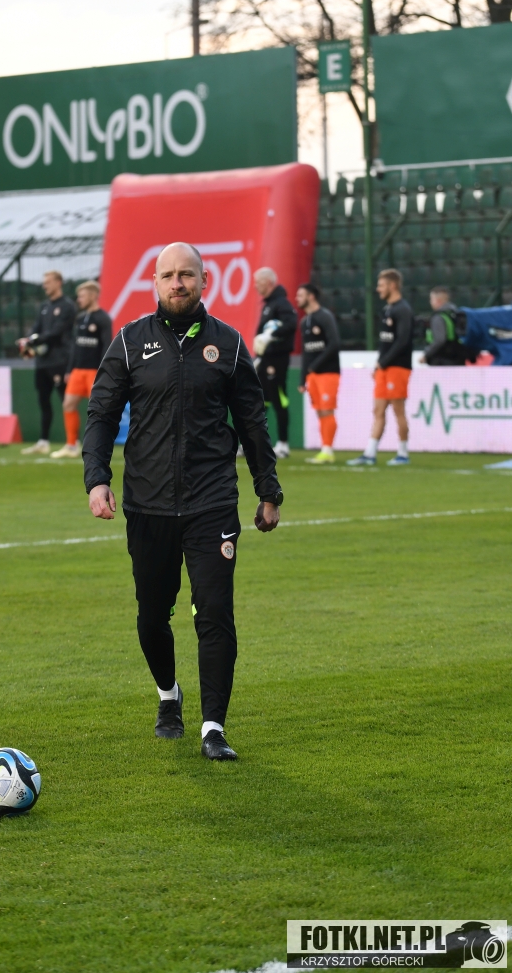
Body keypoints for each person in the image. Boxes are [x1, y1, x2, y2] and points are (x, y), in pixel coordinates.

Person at [82, 242, 282, 762]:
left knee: (214, 613)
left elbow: (253, 423)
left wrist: (268, 490)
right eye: (168, 275)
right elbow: (101, 415)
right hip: (147, 506)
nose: (177, 283)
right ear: (154, 282)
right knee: (152, 617)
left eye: (186, 274)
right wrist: (97, 479)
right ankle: (169, 696)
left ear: (203, 281)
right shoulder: (129, 342)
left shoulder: (228, 344)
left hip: (211, 503)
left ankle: (213, 728)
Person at [348, 268, 414, 467]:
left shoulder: (403, 310)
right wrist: (379, 365)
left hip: (398, 367)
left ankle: (403, 453)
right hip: (384, 368)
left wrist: (382, 363)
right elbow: (386, 343)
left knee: (398, 410)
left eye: (381, 285)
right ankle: (370, 453)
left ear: (392, 286)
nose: (378, 289)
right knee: (378, 410)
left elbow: (402, 341)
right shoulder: (388, 309)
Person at [50, 281, 112, 460]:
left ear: (93, 296)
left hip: (94, 371)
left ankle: (99, 447)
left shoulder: (103, 318)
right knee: (68, 404)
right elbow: (75, 347)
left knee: (99, 410)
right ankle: (71, 445)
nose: (79, 300)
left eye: (82, 296)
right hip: (78, 370)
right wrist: (70, 369)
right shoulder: (81, 318)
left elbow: (107, 346)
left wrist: (103, 371)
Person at [18, 270, 76, 456]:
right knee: (43, 401)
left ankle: (72, 442)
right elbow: (36, 328)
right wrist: (27, 341)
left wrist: (34, 340)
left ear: (58, 282)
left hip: (60, 360)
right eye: (44, 282)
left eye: (48, 282)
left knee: (66, 401)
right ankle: (43, 442)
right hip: (42, 361)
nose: (45, 286)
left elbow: (56, 332)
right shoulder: (44, 306)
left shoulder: (67, 306)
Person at [252, 267, 298, 459]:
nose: (256, 286)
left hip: (277, 360)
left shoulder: (281, 303)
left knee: (279, 400)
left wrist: (271, 336)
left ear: (269, 282)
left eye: (258, 282)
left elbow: (291, 324)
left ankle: (283, 444)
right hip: (265, 360)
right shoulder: (269, 304)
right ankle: (253, 444)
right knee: (260, 403)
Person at [295, 284, 341, 465]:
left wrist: (315, 365)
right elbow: (306, 352)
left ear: (311, 296)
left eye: (301, 295)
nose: (297, 298)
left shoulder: (325, 316)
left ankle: (328, 450)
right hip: (313, 375)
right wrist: (302, 378)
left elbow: (334, 344)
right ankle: (325, 449)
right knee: (320, 411)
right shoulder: (304, 321)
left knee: (327, 409)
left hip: (328, 372)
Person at [420, 287, 474, 366]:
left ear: (438, 301)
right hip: (458, 358)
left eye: (431, 299)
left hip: (442, 360)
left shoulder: (438, 317)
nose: (430, 302)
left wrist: (426, 354)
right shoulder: (455, 314)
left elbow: (439, 340)